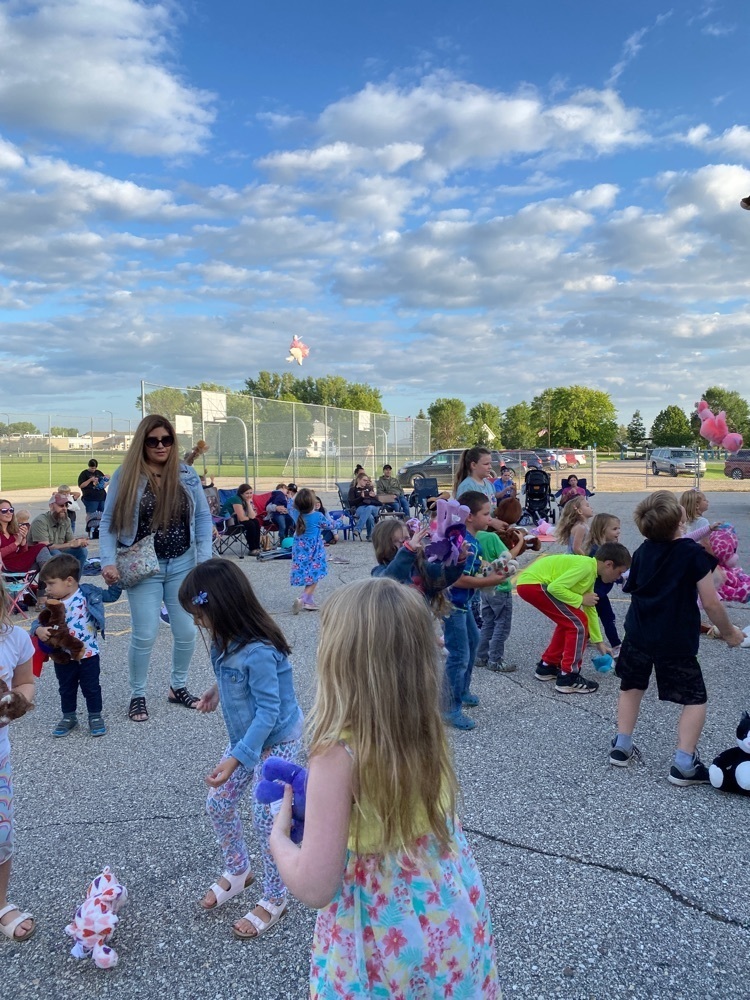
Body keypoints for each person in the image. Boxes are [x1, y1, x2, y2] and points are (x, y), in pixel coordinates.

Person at [269, 578, 500, 997]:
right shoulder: (424, 726)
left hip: (379, 937)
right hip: (447, 916)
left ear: (338, 658)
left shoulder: (337, 753)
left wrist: (279, 840)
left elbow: (316, 887)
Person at [178, 558, 303, 939]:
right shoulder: (224, 639)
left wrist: (236, 759)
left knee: (267, 818)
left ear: (221, 607)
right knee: (217, 802)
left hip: (276, 740)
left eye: (199, 614)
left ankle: (275, 896)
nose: (197, 622)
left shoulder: (260, 651)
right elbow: (229, 675)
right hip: (245, 738)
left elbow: (270, 711)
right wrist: (217, 692)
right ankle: (239, 870)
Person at [609, 491, 744, 784]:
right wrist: (730, 632)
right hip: (675, 640)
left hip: (638, 634)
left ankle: (622, 746)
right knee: (695, 699)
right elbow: (710, 602)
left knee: (631, 687)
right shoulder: (691, 554)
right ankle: (684, 763)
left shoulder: (643, 551)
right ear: (680, 523)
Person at [100, 415, 213, 723]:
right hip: (143, 565)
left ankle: (178, 687)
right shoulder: (126, 475)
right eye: (153, 441)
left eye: (167, 440)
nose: (161, 446)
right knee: (145, 633)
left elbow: (202, 518)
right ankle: (138, 694)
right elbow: (109, 522)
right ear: (142, 443)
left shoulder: (186, 474)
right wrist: (107, 561)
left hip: (183, 564)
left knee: (187, 631)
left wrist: (204, 560)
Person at [442, 491, 517, 730]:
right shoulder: (461, 541)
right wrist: (489, 582)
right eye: (485, 513)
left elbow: (477, 568)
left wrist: (493, 569)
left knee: (473, 642)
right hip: (452, 605)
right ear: (469, 517)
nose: (490, 517)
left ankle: (461, 690)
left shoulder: (475, 540)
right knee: (458, 656)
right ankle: (448, 707)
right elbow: (456, 579)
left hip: (464, 605)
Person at [516, 542, 631, 694]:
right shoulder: (586, 567)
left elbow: (591, 609)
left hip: (532, 584)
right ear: (609, 564)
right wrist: (580, 599)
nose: (618, 578)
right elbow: (555, 588)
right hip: (534, 584)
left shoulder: (591, 572)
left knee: (569, 622)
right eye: (619, 573)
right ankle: (569, 677)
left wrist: (599, 643)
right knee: (578, 624)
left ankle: (547, 666)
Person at [31, 554, 122, 738]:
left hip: (89, 654)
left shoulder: (88, 593)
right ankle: (69, 716)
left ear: (69, 581)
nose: (47, 589)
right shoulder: (52, 604)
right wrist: (38, 630)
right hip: (63, 655)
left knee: (92, 687)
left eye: (50, 584)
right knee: (66, 687)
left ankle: (95, 716)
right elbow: (37, 623)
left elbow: (112, 596)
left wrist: (114, 581)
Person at [0, 575, 36, 943]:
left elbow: (25, 682)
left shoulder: (14, 638)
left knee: (1, 834)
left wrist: (19, 700)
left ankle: (0, 902)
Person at [370, 518, 465, 614]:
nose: (405, 544)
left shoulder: (420, 566)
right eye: (396, 541)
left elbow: (443, 576)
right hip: (396, 624)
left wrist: (457, 561)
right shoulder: (378, 571)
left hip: (421, 622)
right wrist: (408, 550)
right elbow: (389, 580)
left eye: (407, 539)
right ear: (384, 545)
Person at [474, 522, 525, 673]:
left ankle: (480, 656)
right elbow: (509, 556)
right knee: (501, 625)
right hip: (500, 587)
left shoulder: (475, 536)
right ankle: (495, 660)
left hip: (484, 586)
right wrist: (521, 541)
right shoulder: (492, 537)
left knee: (488, 623)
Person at [290, 488, 333, 613]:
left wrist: (294, 496)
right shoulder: (318, 516)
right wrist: (341, 520)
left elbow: (290, 504)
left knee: (309, 574)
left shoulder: (296, 514)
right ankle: (303, 599)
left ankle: (309, 600)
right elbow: (331, 525)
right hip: (314, 551)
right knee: (315, 574)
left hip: (300, 550)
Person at [587, 514, 624, 658]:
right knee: (592, 620)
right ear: (602, 531)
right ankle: (614, 645)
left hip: (600, 593)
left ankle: (616, 645)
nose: (618, 532)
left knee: (608, 617)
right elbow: (607, 572)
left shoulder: (608, 549)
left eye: (619, 528)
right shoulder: (597, 552)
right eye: (614, 529)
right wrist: (621, 579)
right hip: (593, 593)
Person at [453, 447, 508, 533]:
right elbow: (466, 515)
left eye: (490, 463)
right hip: (476, 535)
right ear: (473, 465)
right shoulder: (467, 486)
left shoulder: (489, 485)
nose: (490, 467)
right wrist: (492, 522)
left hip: (489, 530)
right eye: (486, 464)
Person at [29, 494, 88, 571]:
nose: (64, 508)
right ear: (51, 506)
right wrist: (70, 544)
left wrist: (79, 542)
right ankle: (59, 582)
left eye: (66, 506)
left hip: (58, 551)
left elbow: (70, 541)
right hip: (39, 556)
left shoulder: (66, 520)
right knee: (57, 554)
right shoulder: (40, 521)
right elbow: (44, 547)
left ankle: (74, 581)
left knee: (82, 551)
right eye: (61, 505)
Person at [0, 501, 50, 573]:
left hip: (17, 562)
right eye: (4, 511)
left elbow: (22, 553)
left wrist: (23, 542)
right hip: (4, 566)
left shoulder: (14, 531)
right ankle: (51, 578)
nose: (9, 513)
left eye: (11, 510)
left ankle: (49, 578)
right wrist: (16, 543)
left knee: (41, 546)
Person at [220, 484, 260, 555]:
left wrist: (248, 503)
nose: (249, 495)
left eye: (251, 493)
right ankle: (252, 549)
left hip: (235, 519)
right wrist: (249, 517)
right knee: (251, 524)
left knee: (256, 522)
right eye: (247, 493)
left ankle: (257, 547)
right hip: (227, 522)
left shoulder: (246, 500)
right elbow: (242, 518)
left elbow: (253, 516)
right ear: (241, 494)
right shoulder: (236, 499)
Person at [347, 472, 381, 541]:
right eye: (364, 480)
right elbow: (351, 503)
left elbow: (379, 503)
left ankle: (357, 529)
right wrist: (361, 498)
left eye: (367, 480)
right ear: (358, 480)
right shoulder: (353, 490)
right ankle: (370, 536)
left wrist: (375, 497)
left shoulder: (369, 488)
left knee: (369, 508)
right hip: (360, 508)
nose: (366, 482)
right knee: (370, 517)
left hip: (372, 507)